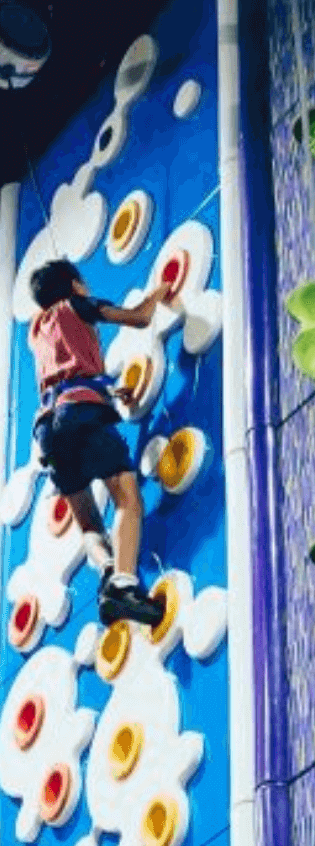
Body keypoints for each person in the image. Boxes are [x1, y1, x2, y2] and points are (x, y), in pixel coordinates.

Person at [27, 258, 171, 626]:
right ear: (75, 286)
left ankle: (107, 568)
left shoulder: (36, 329)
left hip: (48, 429)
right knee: (126, 496)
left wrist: (107, 390)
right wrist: (157, 294)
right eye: (83, 283)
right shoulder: (76, 305)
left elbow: (65, 372)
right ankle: (123, 585)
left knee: (88, 522)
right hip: (80, 413)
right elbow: (139, 317)